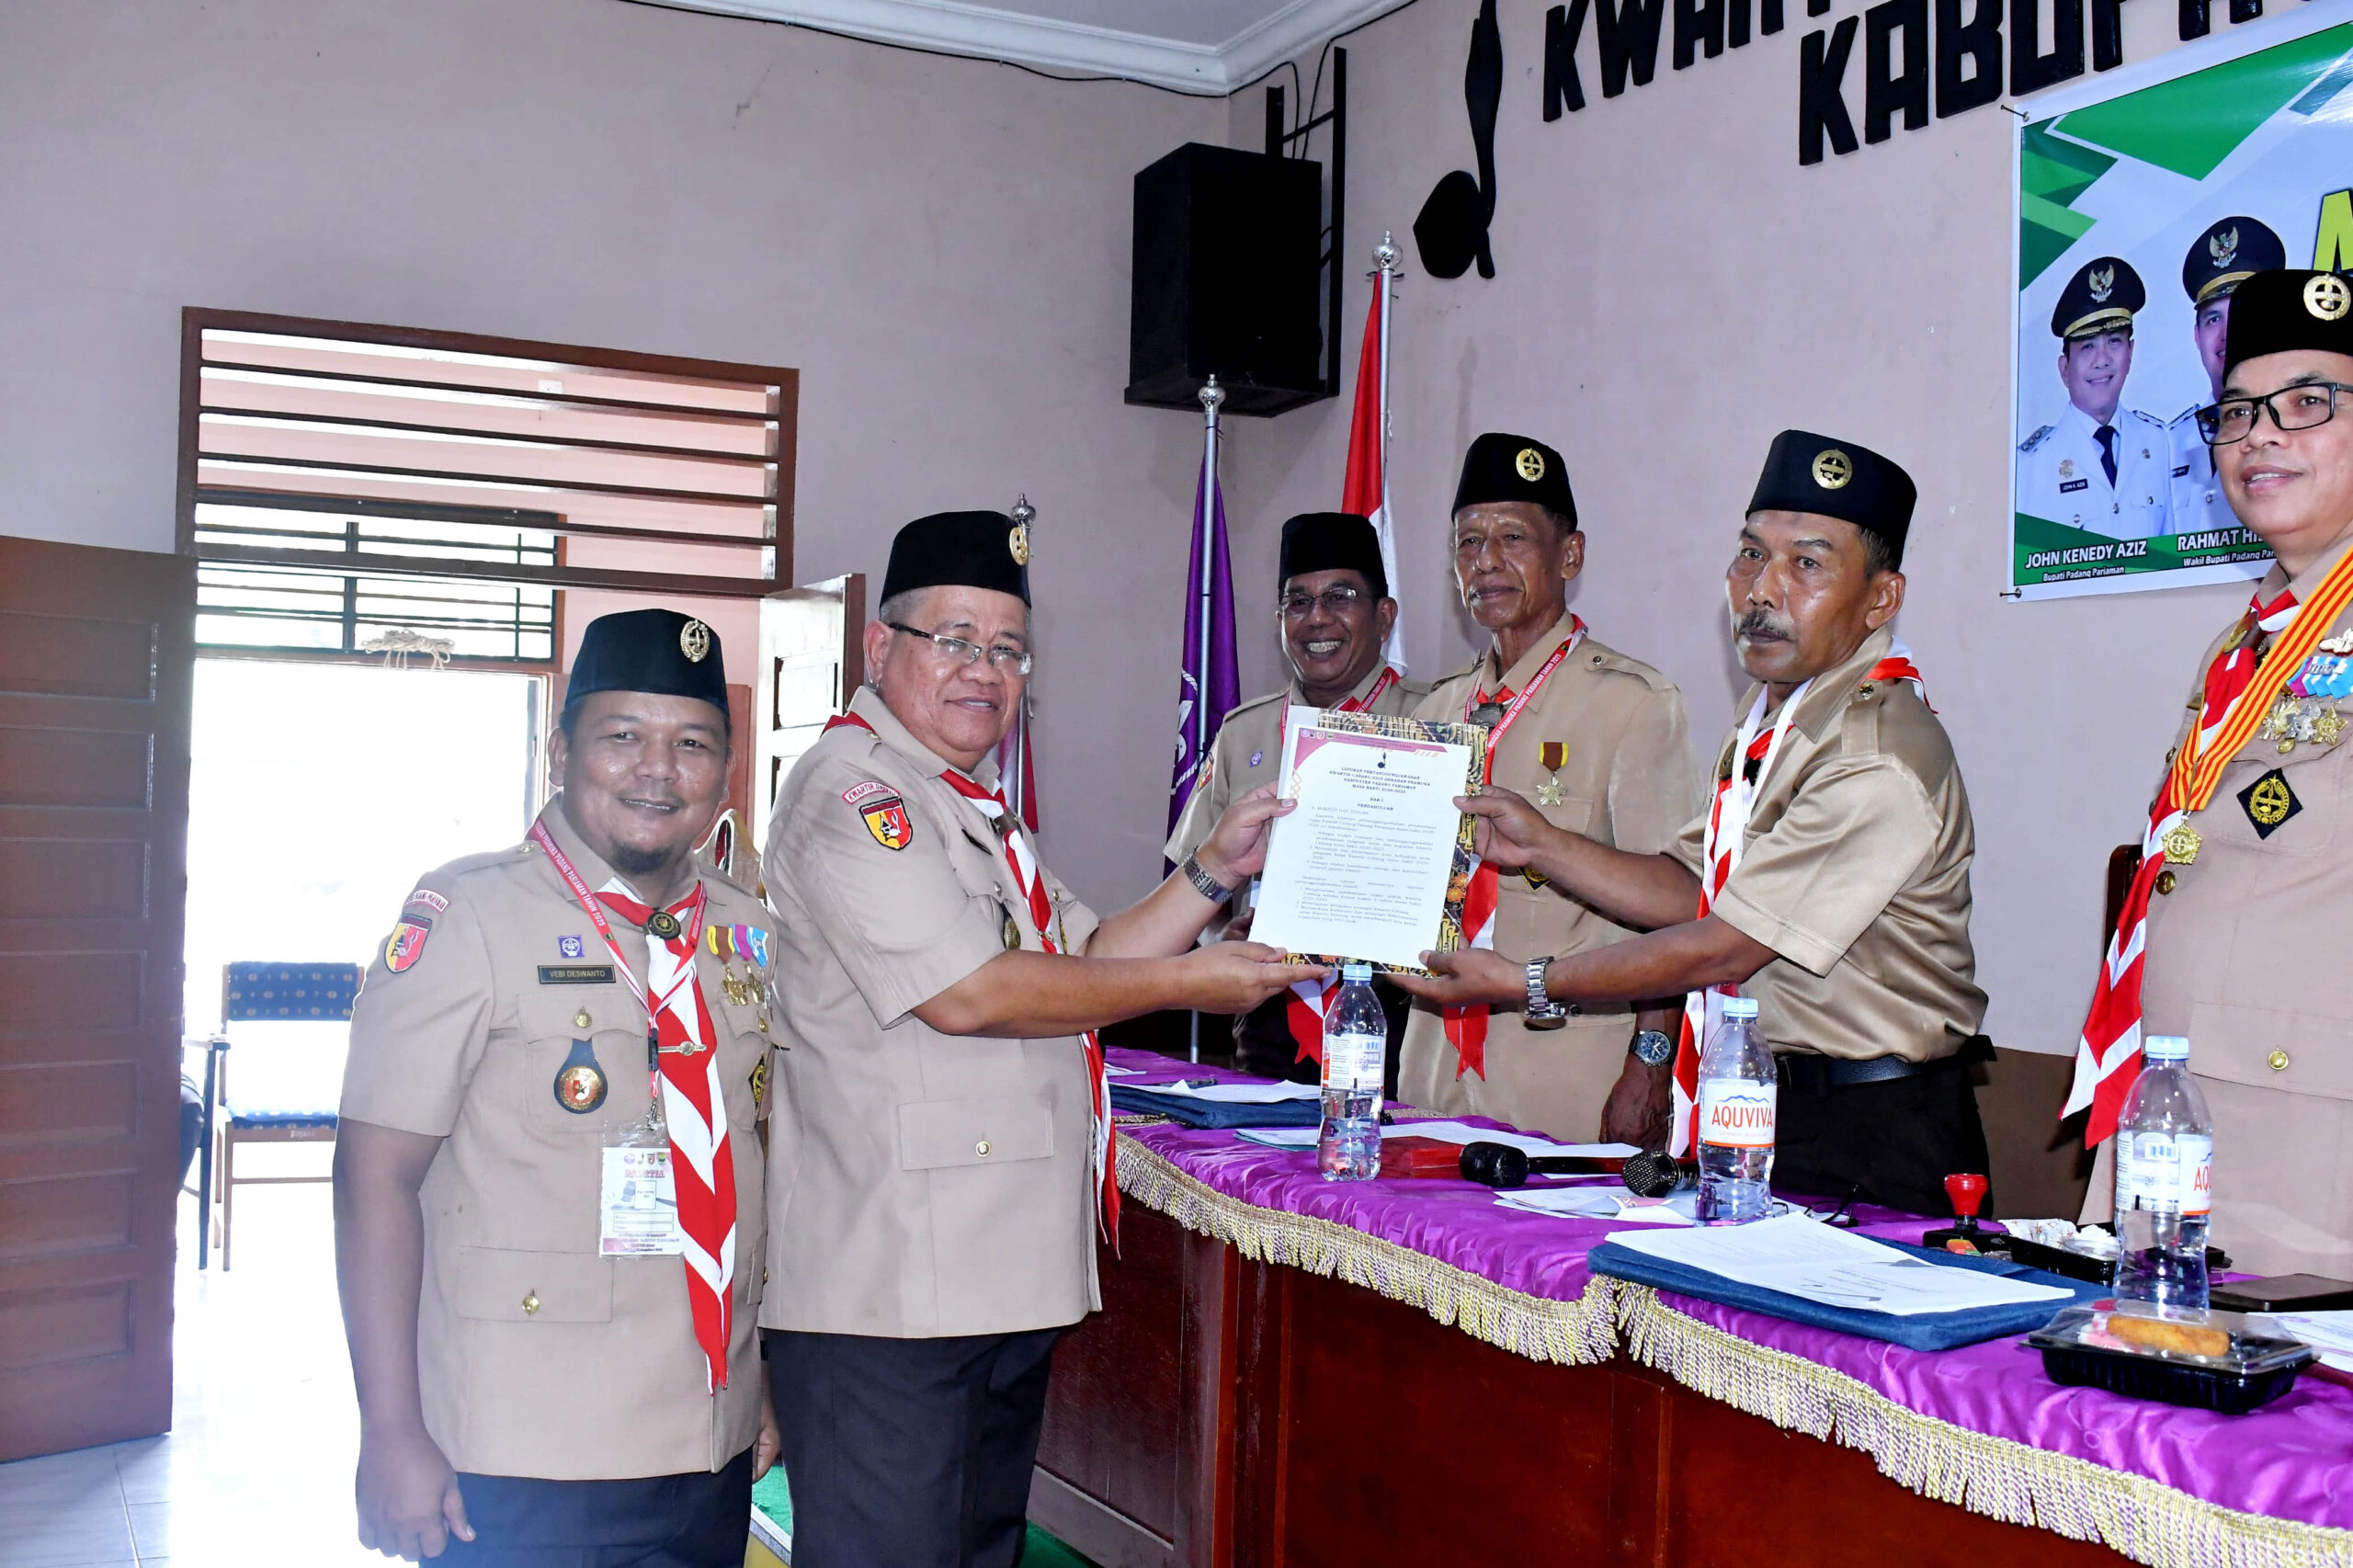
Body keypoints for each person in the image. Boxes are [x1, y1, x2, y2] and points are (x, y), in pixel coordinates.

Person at [757, 510, 1313, 1568]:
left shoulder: (970, 806)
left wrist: (1215, 869)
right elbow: (969, 993)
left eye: (1008, 649)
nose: (985, 669)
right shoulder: (852, 794)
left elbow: (1089, 950)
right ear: (879, 646)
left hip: (992, 1277)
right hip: (890, 1298)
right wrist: (1191, 980)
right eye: (954, 639)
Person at [1397, 432, 1991, 1218]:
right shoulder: (1777, 720)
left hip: (1871, 1128)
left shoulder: (1872, 752)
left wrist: (1526, 982)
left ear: (1880, 600)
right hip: (1771, 1106)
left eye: (1806, 565)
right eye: (1751, 555)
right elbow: (1689, 887)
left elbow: (1725, 944)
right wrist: (1542, 843)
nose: (1763, 590)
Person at [335, 608, 782, 1566]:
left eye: (692, 743)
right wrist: (390, 1430)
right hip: (523, 1448)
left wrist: (755, 1387)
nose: (657, 770)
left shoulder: (743, 928)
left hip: (705, 1439)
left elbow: (746, 1166)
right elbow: (374, 1181)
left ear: (725, 772)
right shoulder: (469, 916)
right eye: (623, 735)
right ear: (560, 750)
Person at [2075, 269, 2353, 1277]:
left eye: (2307, 403)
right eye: (2236, 411)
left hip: (2307, 1150)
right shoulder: (2247, 641)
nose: (2258, 436)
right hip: (2179, 1117)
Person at [1392, 433, 1699, 1147]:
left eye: (1512, 538)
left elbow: (1678, 908)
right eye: (1468, 543)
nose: (1485, 562)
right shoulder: (1434, 712)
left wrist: (1651, 1063)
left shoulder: (1633, 703)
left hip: (1565, 1074)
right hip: (1432, 1067)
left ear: (1570, 556)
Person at [1165, 510, 1428, 1085]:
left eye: (1340, 597)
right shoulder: (1245, 732)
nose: (1317, 618)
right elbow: (1193, 875)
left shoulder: (1433, 723)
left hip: (1403, 1015)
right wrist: (1220, 935)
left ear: (1385, 616)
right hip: (1268, 1015)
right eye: (1298, 602)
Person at [2018, 256, 2173, 540]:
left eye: (2114, 341)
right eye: (2087, 347)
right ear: (2065, 368)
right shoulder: (2030, 465)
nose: (2102, 360)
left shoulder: (2159, 443)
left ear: (2130, 352)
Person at [2167, 217, 2288, 540]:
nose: (2227, 333)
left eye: (2241, 313)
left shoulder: (2307, 428)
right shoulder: (2167, 445)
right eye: (2213, 319)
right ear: (2196, 336)